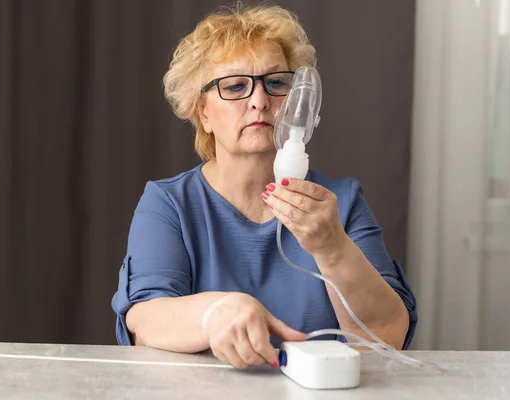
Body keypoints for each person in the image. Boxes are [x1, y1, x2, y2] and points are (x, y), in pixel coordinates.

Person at [111, 3, 417, 369]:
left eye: (276, 83)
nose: (259, 101)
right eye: (235, 86)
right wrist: (216, 313)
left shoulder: (341, 203)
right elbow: (145, 323)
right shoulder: (171, 204)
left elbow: (387, 336)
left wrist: (333, 249)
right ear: (203, 112)